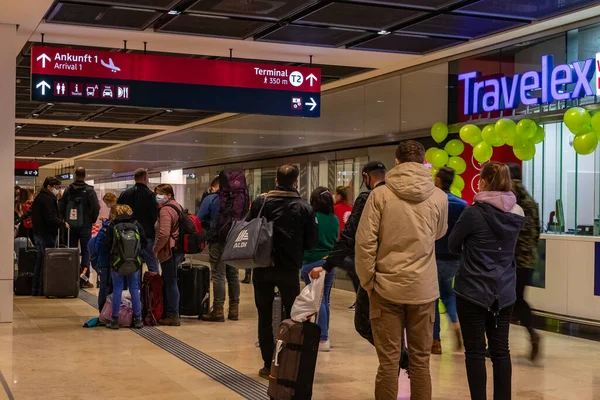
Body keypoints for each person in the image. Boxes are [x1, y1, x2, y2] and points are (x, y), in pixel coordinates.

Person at [355, 140, 448, 400]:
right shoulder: (439, 197)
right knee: (420, 363)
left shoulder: (379, 195)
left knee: (388, 364)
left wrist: (369, 282)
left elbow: (365, 243)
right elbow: (439, 233)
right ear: (422, 162)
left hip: (386, 289)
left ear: (396, 162)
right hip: (423, 291)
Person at [448, 162, 525, 400]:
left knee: (475, 352)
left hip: (472, 289)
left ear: (483, 182)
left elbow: (452, 244)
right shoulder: (518, 213)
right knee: (501, 351)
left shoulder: (474, 213)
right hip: (504, 290)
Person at [248, 165, 317, 380]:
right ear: (296, 181)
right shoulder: (304, 207)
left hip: (263, 266)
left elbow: (250, 227)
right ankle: (287, 362)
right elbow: (312, 242)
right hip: (288, 269)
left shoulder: (261, 202)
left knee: (264, 316)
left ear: (276, 179)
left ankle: (268, 365)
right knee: (293, 316)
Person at [310, 161, 386, 309]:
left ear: (366, 177)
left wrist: (328, 265)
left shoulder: (367, 199)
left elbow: (348, 234)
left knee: (372, 321)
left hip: (376, 270)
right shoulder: (403, 197)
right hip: (410, 275)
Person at [197, 171, 244, 322]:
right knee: (233, 274)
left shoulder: (211, 199)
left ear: (214, 187)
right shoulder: (237, 200)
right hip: (234, 240)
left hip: (217, 241)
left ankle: (218, 310)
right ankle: (234, 310)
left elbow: (199, 219)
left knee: (218, 274)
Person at [432, 167, 468, 355]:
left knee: (432, 298)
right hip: (454, 257)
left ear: (438, 180)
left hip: (434, 255)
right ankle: (455, 323)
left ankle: (435, 340)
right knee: (448, 294)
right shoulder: (462, 205)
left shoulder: (433, 202)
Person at [508, 163, 541, 362]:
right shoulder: (532, 201)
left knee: (505, 301)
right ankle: (531, 333)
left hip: (512, 259)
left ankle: (530, 333)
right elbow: (537, 232)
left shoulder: (512, 200)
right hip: (528, 260)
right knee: (517, 299)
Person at [301, 187, 339, 352]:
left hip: (311, 262)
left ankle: (322, 338)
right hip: (328, 263)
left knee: (318, 301)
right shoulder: (334, 219)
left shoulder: (311, 217)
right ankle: (325, 335)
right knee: (326, 300)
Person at [103, 204, 146, 330]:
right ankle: (138, 319)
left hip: (117, 262)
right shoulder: (137, 224)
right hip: (134, 261)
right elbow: (143, 242)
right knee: (134, 288)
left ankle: (115, 319)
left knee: (117, 288)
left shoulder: (113, 226)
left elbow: (107, 244)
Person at [58, 167, 100, 289]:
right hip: (85, 225)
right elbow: (95, 208)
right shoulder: (89, 191)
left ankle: (71, 276)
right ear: (85, 175)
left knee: (72, 250)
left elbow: (61, 206)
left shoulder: (68, 190)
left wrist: (65, 220)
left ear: (75, 175)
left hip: (70, 226)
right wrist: (92, 220)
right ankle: (84, 279)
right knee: (86, 251)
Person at [153, 184, 185, 326]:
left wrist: (156, 249)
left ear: (168, 195)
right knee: (171, 280)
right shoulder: (177, 206)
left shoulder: (166, 210)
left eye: (160, 194)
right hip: (178, 248)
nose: (157, 197)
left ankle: (173, 314)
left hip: (169, 250)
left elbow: (164, 234)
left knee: (170, 281)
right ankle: (171, 311)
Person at [29, 177, 67, 296]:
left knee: (40, 262)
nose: (58, 190)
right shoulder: (48, 199)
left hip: (38, 233)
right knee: (47, 263)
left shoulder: (40, 197)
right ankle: (44, 288)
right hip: (47, 234)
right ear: (49, 186)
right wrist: (62, 223)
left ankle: (36, 289)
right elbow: (50, 218)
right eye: (56, 187)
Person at [118, 168, 159, 273]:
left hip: (128, 235)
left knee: (133, 263)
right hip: (147, 235)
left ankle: (135, 287)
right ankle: (153, 287)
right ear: (145, 178)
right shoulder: (150, 195)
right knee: (152, 264)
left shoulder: (125, 194)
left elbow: (118, 213)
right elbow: (154, 216)